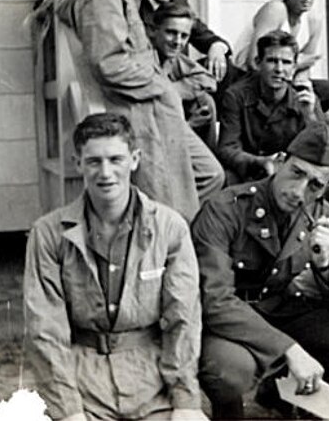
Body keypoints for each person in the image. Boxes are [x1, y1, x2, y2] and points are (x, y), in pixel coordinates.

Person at [192, 123, 329, 419]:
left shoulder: (321, 215)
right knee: (230, 371)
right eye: (297, 173)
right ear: (279, 163)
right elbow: (214, 300)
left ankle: (295, 400)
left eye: (315, 185)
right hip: (231, 321)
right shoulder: (225, 209)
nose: (299, 191)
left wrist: (325, 262)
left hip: (281, 311)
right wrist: (290, 349)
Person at [24, 113, 206, 421]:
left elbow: (183, 318)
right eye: (94, 161)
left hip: (153, 383)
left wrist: (185, 400)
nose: (105, 173)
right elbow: (45, 330)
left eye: (116, 159)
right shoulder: (48, 233)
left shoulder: (169, 228)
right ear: (78, 163)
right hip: (81, 383)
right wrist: (68, 410)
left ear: (134, 160)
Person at [57, 0, 215, 222]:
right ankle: (163, 249)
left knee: (204, 178)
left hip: (154, 107)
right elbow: (109, 64)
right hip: (138, 111)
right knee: (165, 201)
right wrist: (163, 86)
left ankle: (179, 244)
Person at [218, 31, 322, 184]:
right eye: (272, 61)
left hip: (290, 175)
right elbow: (227, 148)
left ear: (294, 67)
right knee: (226, 180)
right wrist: (261, 162)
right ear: (258, 63)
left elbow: (327, 154)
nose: (279, 69)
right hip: (248, 172)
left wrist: (310, 116)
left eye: (286, 62)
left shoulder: (305, 99)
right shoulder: (236, 95)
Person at [237, 0, 329, 111]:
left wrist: (302, 89)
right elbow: (254, 63)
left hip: (282, 80)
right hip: (248, 78)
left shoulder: (314, 20)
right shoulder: (276, 10)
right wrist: (297, 64)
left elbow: (304, 69)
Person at [140, 0, 243, 96]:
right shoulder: (133, 6)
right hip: (144, 72)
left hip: (172, 71)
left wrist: (216, 47)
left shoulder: (179, 5)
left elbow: (204, 36)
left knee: (225, 69)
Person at [149, 1, 220, 150]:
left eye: (184, 36)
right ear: (153, 30)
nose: (178, 42)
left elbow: (208, 80)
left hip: (174, 129)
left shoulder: (172, 58)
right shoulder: (145, 58)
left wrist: (175, 89)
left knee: (205, 101)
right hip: (151, 140)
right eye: (171, 33)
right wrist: (189, 125)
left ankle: (210, 156)